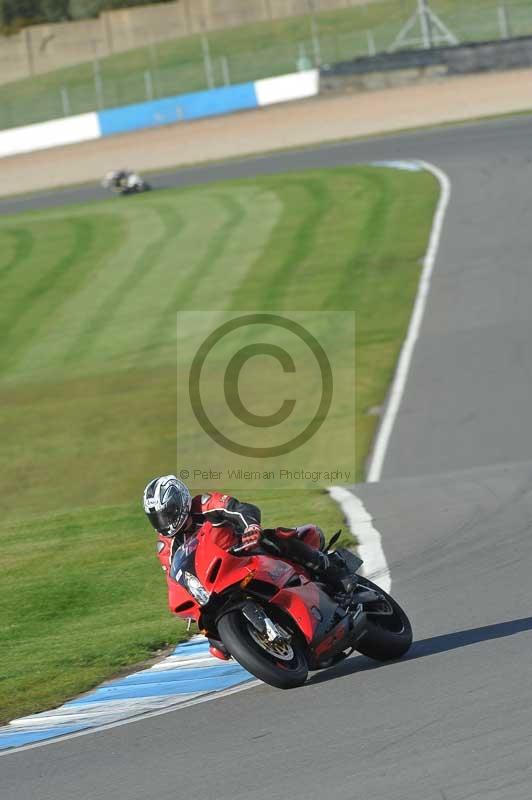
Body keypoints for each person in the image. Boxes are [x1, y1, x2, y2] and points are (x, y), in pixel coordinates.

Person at [142, 475, 349, 657]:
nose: (165, 521)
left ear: (180, 501)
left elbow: (240, 509)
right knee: (215, 640)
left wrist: (251, 526)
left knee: (274, 539)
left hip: (245, 550)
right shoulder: (165, 547)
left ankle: (336, 573)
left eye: (168, 512)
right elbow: (177, 578)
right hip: (215, 580)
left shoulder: (204, 504)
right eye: (157, 517)